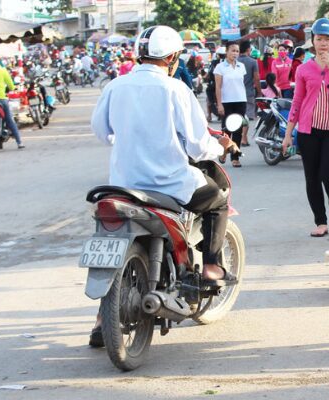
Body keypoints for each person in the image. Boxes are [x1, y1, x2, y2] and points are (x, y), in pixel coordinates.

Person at [89, 25, 238, 347]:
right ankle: (211, 265)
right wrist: (222, 148)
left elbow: (102, 133)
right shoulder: (175, 90)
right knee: (217, 198)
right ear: (171, 57)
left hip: (123, 185)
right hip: (170, 184)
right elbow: (198, 147)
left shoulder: (115, 86)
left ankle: (102, 319)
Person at [281, 18, 329, 238]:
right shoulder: (304, 69)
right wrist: (287, 135)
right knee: (312, 177)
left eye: (328, 39)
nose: (323, 43)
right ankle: (320, 221)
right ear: (312, 41)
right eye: (319, 39)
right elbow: (297, 101)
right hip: (308, 132)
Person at [214, 42, 248, 168]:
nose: (235, 53)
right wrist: (219, 104)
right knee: (227, 130)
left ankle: (235, 157)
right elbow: (218, 87)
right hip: (226, 102)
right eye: (233, 51)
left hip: (240, 100)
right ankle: (223, 152)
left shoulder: (241, 66)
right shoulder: (220, 67)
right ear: (227, 52)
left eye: (237, 51)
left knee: (238, 129)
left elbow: (241, 84)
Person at [237, 40, 262, 147]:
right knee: (246, 117)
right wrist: (259, 92)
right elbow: (256, 78)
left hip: (235, 94)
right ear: (248, 50)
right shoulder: (252, 62)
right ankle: (243, 137)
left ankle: (238, 137)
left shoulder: (234, 61)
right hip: (248, 93)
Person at [205, 47, 225, 122]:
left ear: (218, 55)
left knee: (209, 100)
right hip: (224, 85)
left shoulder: (214, 62)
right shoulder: (228, 62)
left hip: (213, 85)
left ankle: (209, 116)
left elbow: (210, 72)